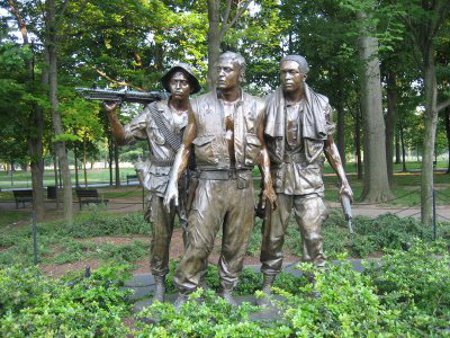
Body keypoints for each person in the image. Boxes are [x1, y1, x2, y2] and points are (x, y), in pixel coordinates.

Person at [164, 51, 277, 306]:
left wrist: (267, 184)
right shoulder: (198, 104)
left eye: (227, 69)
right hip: (208, 183)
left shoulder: (258, 106)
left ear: (240, 74)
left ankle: (227, 289)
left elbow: (261, 148)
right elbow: (185, 147)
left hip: (242, 184)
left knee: (236, 243)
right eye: (219, 69)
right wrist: (173, 182)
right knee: (199, 241)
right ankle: (187, 290)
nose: (221, 74)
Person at [103, 63, 201, 302]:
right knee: (160, 237)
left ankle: (193, 284)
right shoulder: (152, 112)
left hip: (192, 183)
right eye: (174, 81)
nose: (178, 86)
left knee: (194, 236)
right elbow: (123, 138)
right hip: (159, 181)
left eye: (184, 82)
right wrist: (112, 116)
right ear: (168, 84)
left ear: (191, 87)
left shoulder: (200, 111)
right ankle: (158, 283)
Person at [259, 55, 353, 299]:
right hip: (279, 179)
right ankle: (267, 284)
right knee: (272, 236)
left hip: (310, 178)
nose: (287, 77)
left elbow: (329, 146)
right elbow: (261, 147)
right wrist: (266, 182)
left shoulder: (322, 104)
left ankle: (317, 284)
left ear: (304, 75)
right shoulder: (268, 104)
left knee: (313, 235)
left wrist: (343, 179)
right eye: (283, 73)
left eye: (292, 72)